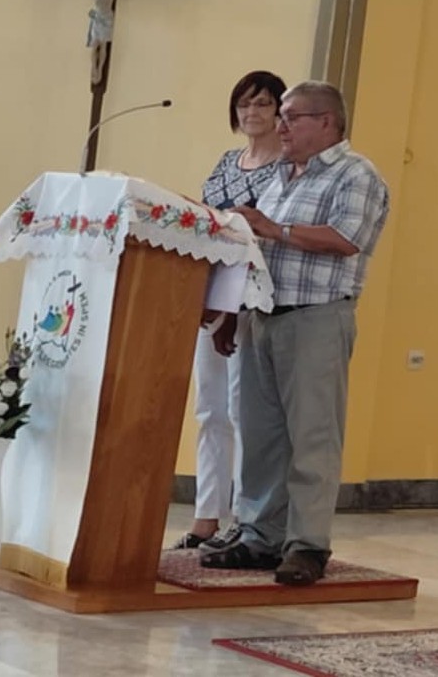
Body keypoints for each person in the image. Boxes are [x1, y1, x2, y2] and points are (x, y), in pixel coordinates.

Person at [200, 81, 389, 585]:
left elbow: (347, 239)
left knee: (312, 438)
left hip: (316, 319)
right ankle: (260, 536)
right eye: (281, 116)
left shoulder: (356, 174)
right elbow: (255, 251)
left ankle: (307, 545)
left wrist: (273, 228)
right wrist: (230, 312)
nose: (280, 126)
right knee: (260, 436)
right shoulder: (283, 176)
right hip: (262, 316)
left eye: (291, 117)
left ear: (326, 121)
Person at [173, 70, 287, 550]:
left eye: (262, 103)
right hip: (213, 290)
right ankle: (206, 515)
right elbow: (208, 219)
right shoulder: (226, 161)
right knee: (209, 409)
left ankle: (246, 517)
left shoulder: (286, 169)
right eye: (244, 104)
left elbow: (269, 230)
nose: (251, 112)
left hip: (254, 294)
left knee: (245, 412)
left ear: (280, 110)